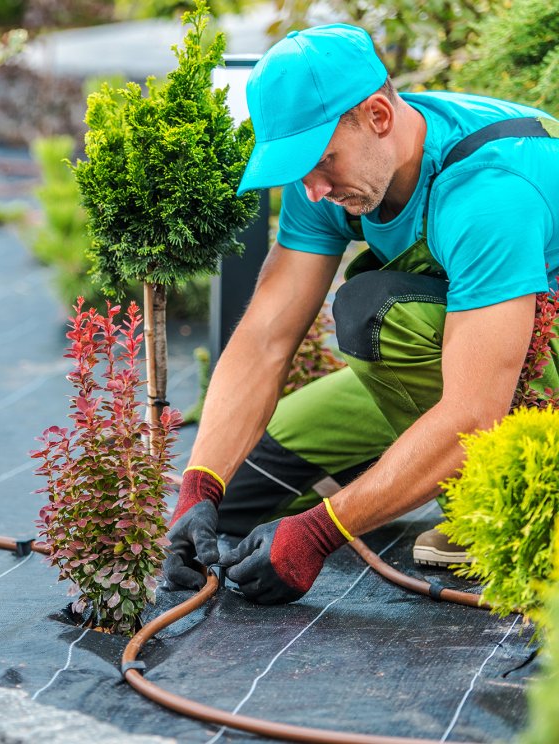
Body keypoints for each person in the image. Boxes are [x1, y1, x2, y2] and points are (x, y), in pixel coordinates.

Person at [163, 23, 559, 603]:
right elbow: (265, 339)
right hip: (463, 353)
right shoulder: (339, 174)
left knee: (374, 312)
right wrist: (199, 488)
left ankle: (489, 512)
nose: (314, 188)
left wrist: (322, 532)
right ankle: (400, 464)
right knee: (241, 491)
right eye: (300, 167)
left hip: (528, 364)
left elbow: (474, 411)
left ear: (377, 116)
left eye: (323, 161)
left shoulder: (486, 191)